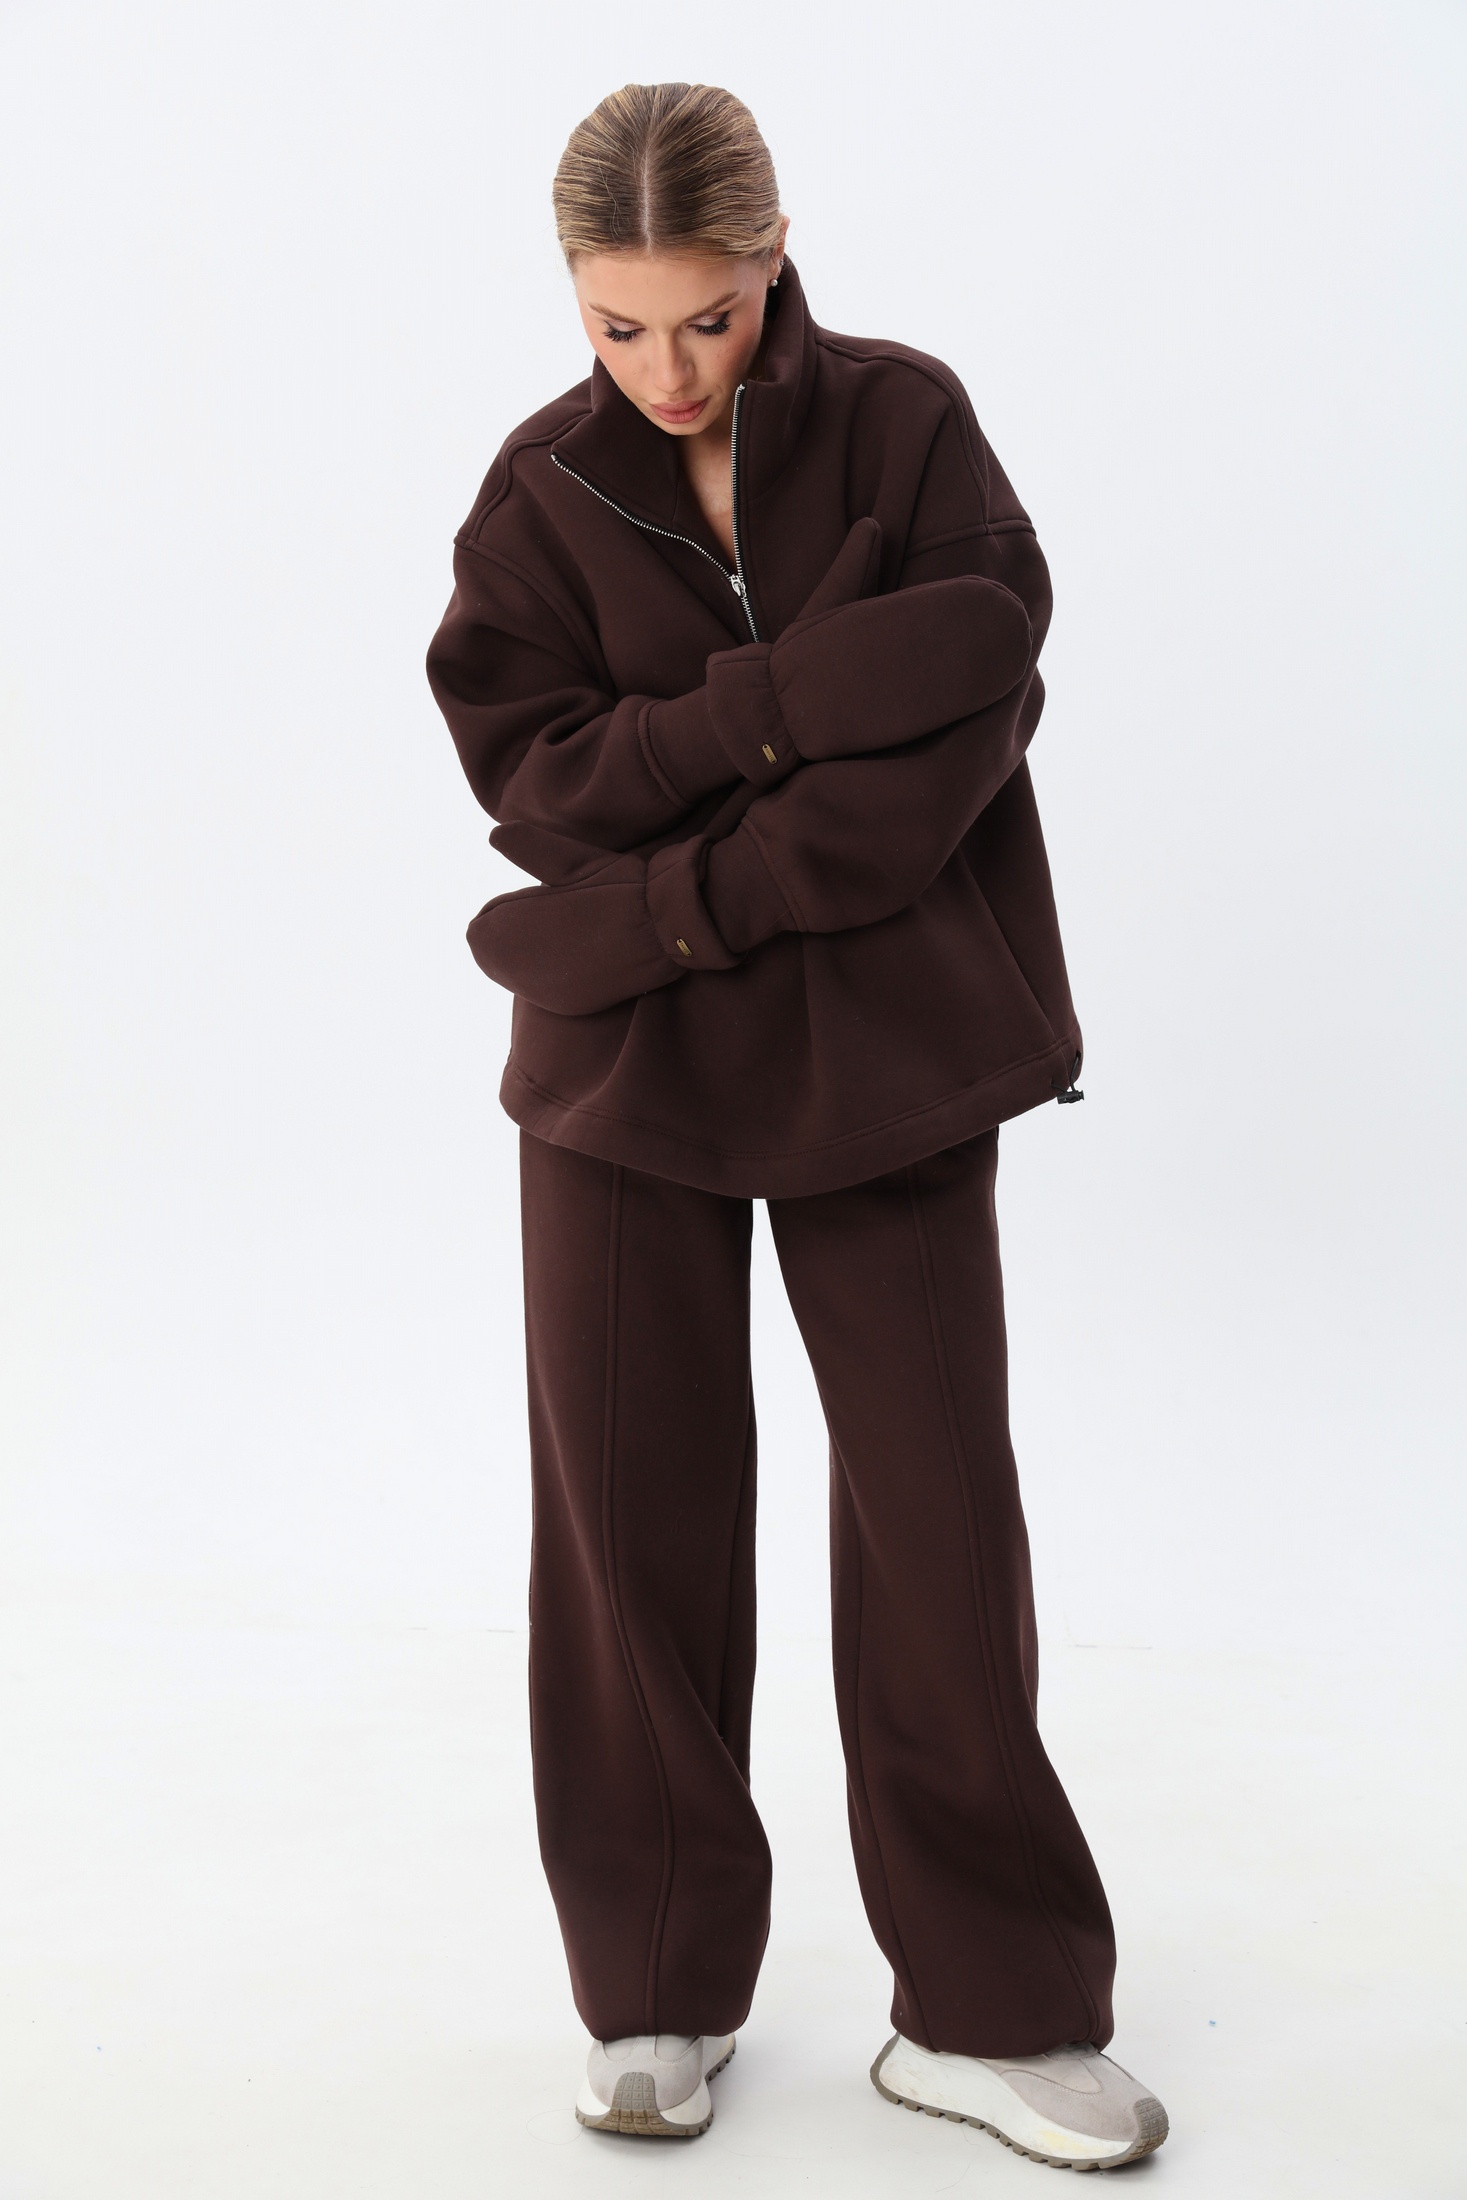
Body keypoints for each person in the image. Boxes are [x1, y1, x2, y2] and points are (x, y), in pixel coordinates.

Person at [425, 80, 1168, 2172]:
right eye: (616, 326)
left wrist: (678, 888)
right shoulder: (537, 493)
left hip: (879, 1053)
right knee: (626, 1524)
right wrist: (786, 703)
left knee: (937, 1522)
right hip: (622, 1080)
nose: (667, 370)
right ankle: (653, 1982)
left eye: (708, 317)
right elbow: (539, 782)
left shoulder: (908, 427)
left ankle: (995, 2008)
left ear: (772, 261)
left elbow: (970, 700)